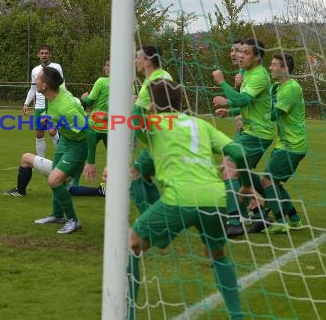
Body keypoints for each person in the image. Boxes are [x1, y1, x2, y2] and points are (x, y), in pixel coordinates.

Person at [119, 79, 250, 320]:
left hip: (180, 199)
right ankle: (237, 316)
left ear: (153, 105)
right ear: (179, 103)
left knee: (132, 244)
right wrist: (247, 186)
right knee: (217, 255)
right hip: (215, 197)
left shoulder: (154, 123)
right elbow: (238, 152)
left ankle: (128, 315)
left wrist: (138, 104)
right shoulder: (199, 124)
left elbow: (132, 121)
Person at [212, 38, 275, 237]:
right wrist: (229, 110)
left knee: (229, 169)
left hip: (257, 135)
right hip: (249, 132)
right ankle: (258, 214)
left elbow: (242, 99)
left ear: (257, 57)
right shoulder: (247, 73)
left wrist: (222, 83)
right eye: (239, 52)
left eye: (245, 52)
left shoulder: (258, 75)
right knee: (234, 171)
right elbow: (247, 105)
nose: (240, 55)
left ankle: (234, 221)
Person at [32, 66, 87, 234]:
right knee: (55, 178)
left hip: (78, 144)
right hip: (65, 141)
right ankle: (57, 215)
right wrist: (46, 118)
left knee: (54, 180)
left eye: (38, 78)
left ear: (45, 86)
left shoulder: (66, 108)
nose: (36, 80)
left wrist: (90, 161)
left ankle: (73, 220)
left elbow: (88, 131)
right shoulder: (55, 92)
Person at [256, 53, 307, 233]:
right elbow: (264, 107)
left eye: (274, 64)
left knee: (265, 181)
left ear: (285, 69)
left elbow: (273, 114)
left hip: (293, 145)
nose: (270, 67)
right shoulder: (276, 87)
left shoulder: (292, 88)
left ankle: (279, 222)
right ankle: (294, 220)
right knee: (275, 183)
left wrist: (247, 117)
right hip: (283, 143)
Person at [130, 46, 173, 214]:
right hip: (170, 135)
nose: (135, 61)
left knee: (134, 175)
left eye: (137, 57)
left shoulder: (152, 81)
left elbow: (136, 115)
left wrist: (131, 140)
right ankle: (159, 214)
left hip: (161, 140)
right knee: (144, 175)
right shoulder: (165, 75)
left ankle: (148, 221)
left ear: (147, 61)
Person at [23, 45, 62, 158]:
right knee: (39, 133)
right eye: (42, 53)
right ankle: (41, 160)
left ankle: (60, 156)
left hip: (52, 104)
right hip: (39, 106)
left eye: (46, 53)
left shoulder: (56, 67)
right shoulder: (35, 70)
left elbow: (62, 85)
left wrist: (60, 101)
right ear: (38, 55)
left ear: (50, 54)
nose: (44, 55)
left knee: (52, 131)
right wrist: (26, 103)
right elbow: (33, 88)